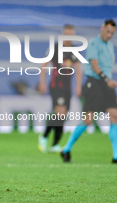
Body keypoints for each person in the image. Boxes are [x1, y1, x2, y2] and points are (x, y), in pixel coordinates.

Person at [61, 19, 117, 162]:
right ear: (102, 28)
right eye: (108, 32)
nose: (110, 35)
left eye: (112, 33)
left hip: (107, 85)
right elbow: (94, 64)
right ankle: (67, 148)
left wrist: (108, 81)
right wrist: (107, 80)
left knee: (114, 115)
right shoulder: (94, 43)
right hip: (95, 83)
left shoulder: (110, 46)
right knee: (88, 119)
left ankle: (116, 156)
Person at [38, 24, 82, 153]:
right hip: (56, 85)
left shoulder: (74, 50)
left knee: (63, 115)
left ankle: (54, 144)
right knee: (60, 113)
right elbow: (43, 65)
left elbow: (78, 70)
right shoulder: (55, 48)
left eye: (71, 34)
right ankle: (44, 137)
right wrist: (42, 83)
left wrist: (78, 85)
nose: (69, 37)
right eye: (67, 34)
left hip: (67, 87)